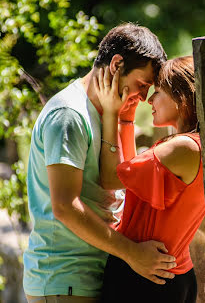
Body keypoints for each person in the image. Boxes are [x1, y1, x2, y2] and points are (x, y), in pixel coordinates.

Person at [23, 23, 177, 303]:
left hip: (92, 274)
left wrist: (125, 120)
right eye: (142, 85)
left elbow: (124, 182)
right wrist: (132, 253)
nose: (144, 98)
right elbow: (64, 206)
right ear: (117, 64)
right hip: (64, 279)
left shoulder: (109, 110)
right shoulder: (68, 114)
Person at [94, 56, 205, 302]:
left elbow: (112, 178)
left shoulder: (183, 148)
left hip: (144, 280)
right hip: (170, 277)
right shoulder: (197, 145)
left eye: (158, 91)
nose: (149, 99)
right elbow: (133, 179)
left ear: (180, 97)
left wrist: (111, 114)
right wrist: (127, 121)